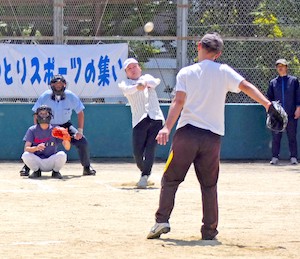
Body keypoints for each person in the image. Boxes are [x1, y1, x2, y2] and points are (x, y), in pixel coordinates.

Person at [147, 32, 274, 240]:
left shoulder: (186, 72)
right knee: (209, 185)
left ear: (199, 46)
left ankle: (161, 221)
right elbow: (246, 86)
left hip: (187, 134)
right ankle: (209, 231)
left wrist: (166, 128)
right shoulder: (224, 71)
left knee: (171, 179)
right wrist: (268, 105)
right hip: (212, 138)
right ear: (218, 53)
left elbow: (178, 102)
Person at [20, 74, 96, 176]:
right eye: (56, 84)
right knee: (35, 144)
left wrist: (80, 131)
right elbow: (36, 113)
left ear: (65, 85)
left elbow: (80, 112)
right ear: (51, 85)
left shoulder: (71, 96)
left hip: (65, 126)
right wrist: (38, 129)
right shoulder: (45, 96)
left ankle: (87, 167)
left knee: (82, 141)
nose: (58, 86)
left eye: (61, 84)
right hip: (48, 126)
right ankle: (27, 167)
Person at [118, 58, 165, 188]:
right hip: (139, 121)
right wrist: (137, 86)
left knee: (151, 149)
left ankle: (144, 176)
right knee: (137, 153)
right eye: (129, 68)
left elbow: (154, 82)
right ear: (126, 72)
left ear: (140, 68)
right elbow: (128, 90)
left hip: (155, 118)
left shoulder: (147, 77)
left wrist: (143, 82)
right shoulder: (124, 83)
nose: (133, 70)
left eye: (134, 67)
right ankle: (144, 171)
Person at [21, 105, 70, 179]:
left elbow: (67, 148)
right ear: (37, 116)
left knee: (62, 155)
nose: (44, 116)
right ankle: (36, 172)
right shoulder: (32, 130)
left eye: (46, 114)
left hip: (51, 160)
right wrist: (36, 148)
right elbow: (26, 148)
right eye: (41, 114)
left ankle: (56, 172)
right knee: (25, 155)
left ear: (50, 115)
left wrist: (66, 138)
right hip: (38, 161)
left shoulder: (56, 130)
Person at [267, 59, 300, 165]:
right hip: (277, 116)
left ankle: (294, 157)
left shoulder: (294, 81)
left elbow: (298, 96)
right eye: (278, 66)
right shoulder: (273, 82)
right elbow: (269, 99)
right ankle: (275, 157)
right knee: (276, 136)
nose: (280, 68)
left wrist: (298, 108)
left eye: (282, 66)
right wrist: (271, 112)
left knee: (292, 136)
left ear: (286, 67)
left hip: (291, 113)